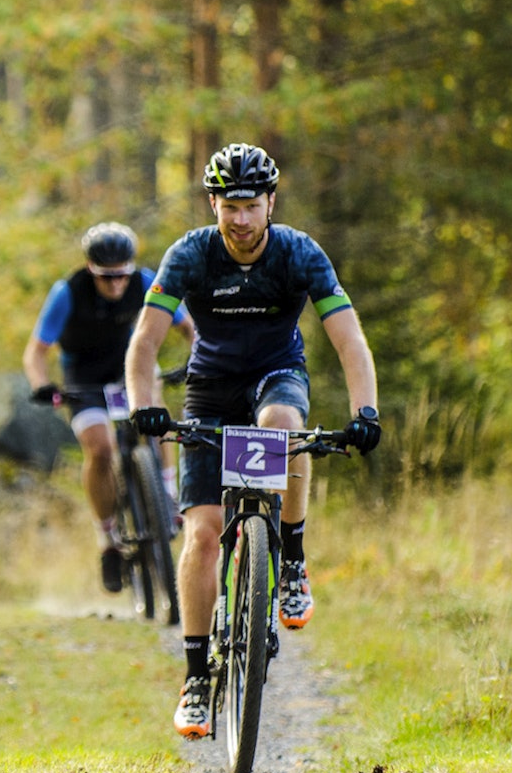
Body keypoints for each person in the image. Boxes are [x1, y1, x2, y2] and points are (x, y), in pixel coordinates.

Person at [124, 142, 382, 739]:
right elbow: (143, 345)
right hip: (210, 387)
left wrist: (366, 410)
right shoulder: (190, 255)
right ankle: (194, 677)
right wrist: (146, 408)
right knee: (204, 534)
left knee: (283, 428)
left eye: (250, 205)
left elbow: (348, 340)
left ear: (270, 201)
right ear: (213, 203)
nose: (239, 219)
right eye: (228, 205)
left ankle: (289, 559)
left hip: (276, 375)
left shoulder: (299, 253)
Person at [23, 222, 194, 594]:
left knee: (156, 405)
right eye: (106, 277)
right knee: (100, 449)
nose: (116, 285)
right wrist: (42, 386)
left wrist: (198, 358)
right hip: (82, 377)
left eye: (122, 276)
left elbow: (188, 327)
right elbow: (35, 352)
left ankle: (166, 491)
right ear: (90, 269)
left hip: (127, 367)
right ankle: (109, 539)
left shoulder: (147, 281)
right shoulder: (67, 293)